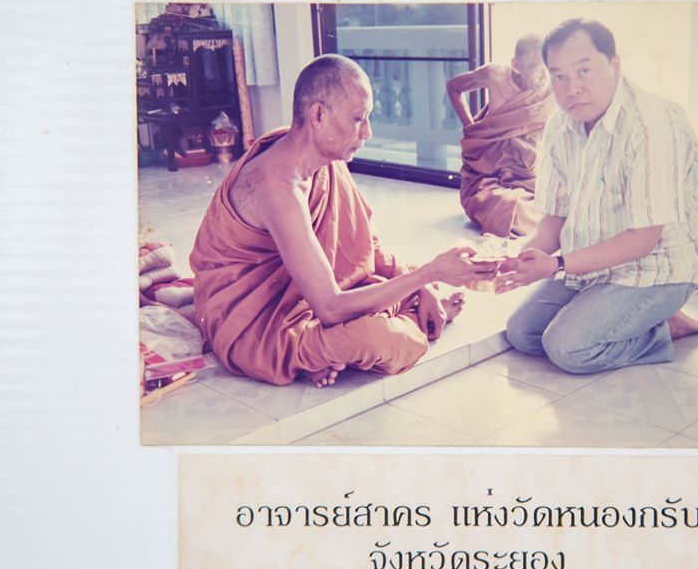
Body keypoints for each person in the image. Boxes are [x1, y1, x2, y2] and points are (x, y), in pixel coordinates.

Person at [190, 54, 497, 387]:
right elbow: (331, 307)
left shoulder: (323, 158)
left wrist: (422, 284)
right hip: (255, 323)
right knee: (384, 339)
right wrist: (432, 272)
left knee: (400, 283)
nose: (368, 132)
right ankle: (311, 352)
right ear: (318, 115)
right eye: (358, 119)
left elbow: (367, 251)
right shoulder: (276, 187)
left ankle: (328, 348)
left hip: (308, 294)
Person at [496, 19, 698, 375]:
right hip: (591, 265)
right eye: (559, 76)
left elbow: (643, 239)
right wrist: (509, 260)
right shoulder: (560, 126)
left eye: (584, 71)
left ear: (615, 65)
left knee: (568, 348)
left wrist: (557, 266)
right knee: (522, 333)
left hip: (657, 268)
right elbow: (554, 221)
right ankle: (633, 316)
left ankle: (661, 327)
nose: (572, 89)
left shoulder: (653, 124)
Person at [447, 35, 556, 237]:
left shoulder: (551, 88)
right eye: (537, 69)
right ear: (516, 66)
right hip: (487, 175)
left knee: (560, 203)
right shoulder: (495, 75)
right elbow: (453, 87)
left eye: (548, 68)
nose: (545, 76)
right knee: (509, 207)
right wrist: (471, 128)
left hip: (529, 174)